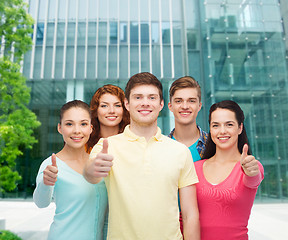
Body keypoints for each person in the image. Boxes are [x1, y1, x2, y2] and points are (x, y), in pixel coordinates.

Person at [84, 72, 200, 240]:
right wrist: (93, 168)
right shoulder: (107, 146)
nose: (145, 103)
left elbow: (190, 214)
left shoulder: (180, 151)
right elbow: (90, 175)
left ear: (161, 104)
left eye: (152, 98)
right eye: (138, 97)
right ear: (127, 104)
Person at [33, 100, 108, 240]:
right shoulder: (51, 165)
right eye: (69, 124)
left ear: (91, 128)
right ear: (60, 128)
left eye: (83, 124)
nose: (77, 131)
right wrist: (46, 183)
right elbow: (41, 203)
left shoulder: (97, 163)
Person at [195, 100, 264, 240]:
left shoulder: (249, 166)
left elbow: (253, 178)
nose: (222, 131)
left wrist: (251, 172)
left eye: (229, 124)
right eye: (215, 125)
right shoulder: (196, 167)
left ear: (240, 128)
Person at [168, 76, 208, 162]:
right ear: (170, 106)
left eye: (191, 101)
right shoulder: (161, 147)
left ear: (199, 106)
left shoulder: (214, 145)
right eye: (178, 101)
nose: (185, 106)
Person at [86, 84, 130, 153]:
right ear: (96, 110)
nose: (111, 111)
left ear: (124, 109)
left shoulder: (133, 142)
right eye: (104, 106)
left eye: (117, 105)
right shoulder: (85, 145)